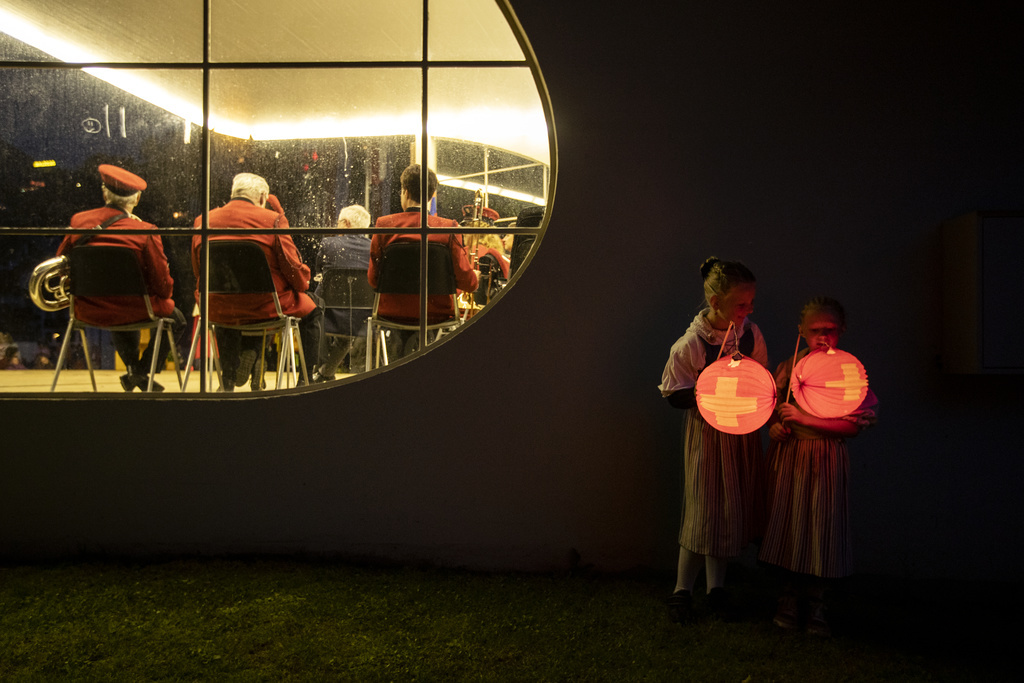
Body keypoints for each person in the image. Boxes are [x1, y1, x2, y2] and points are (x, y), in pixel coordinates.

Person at [758, 297, 878, 637]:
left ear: (841, 331)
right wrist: (776, 428)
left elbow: (854, 425)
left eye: (831, 330)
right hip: (791, 458)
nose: (823, 337)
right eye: (815, 331)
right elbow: (771, 409)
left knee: (823, 527)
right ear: (801, 331)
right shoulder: (788, 367)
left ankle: (818, 603)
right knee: (788, 524)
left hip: (826, 459)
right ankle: (788, 598)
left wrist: (807, 419)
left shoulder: (848, 373)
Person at [659, 257, 769, 622]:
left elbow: (761, 380)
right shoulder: (691, 345)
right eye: (741, 304)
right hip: (708, 439)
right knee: (703, 511)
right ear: (716, 302)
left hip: (740, 437)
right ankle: (682, 590)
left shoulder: (750, 335)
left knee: (727, 511)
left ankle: (717, 588)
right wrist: (710, 393)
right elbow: (674, 393)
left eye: (751, 303)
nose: (748, 310)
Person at [57, 164, 184, 392]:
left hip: (86, 309)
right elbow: (163, 287)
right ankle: (142, 371)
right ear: (136, 200)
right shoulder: (145, 230)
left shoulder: (79, 221)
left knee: (115, 307)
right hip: (135, 310)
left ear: (104, 193)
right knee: (177, 319)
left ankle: (135, 371)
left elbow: (61, 261)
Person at [192, 172, 323, 391]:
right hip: (264, 306)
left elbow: (199, 271)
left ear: (233, 193)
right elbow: (292, 268)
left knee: (227, 303)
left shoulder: (202, 221)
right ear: (263, 197)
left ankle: (228, 379)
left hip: (219, 306)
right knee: (314, 309)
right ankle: (305, 383)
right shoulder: (271, 220)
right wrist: (303, 283)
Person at [368, 164, 478, 360]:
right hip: (437, 312)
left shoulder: (384, 225)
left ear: (405, 191)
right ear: (432, 194)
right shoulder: (448, 227)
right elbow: (467, 282)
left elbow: (374, 279)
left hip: (391, 311)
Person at [312, 204, 372, 380]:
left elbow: (319, 273)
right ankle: (325, 374)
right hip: (362, 317)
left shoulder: (328, 244)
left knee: (312, 311)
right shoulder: (372, 247)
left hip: (327, 312)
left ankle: (314, 371)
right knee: (346, 336)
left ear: (346, 223)